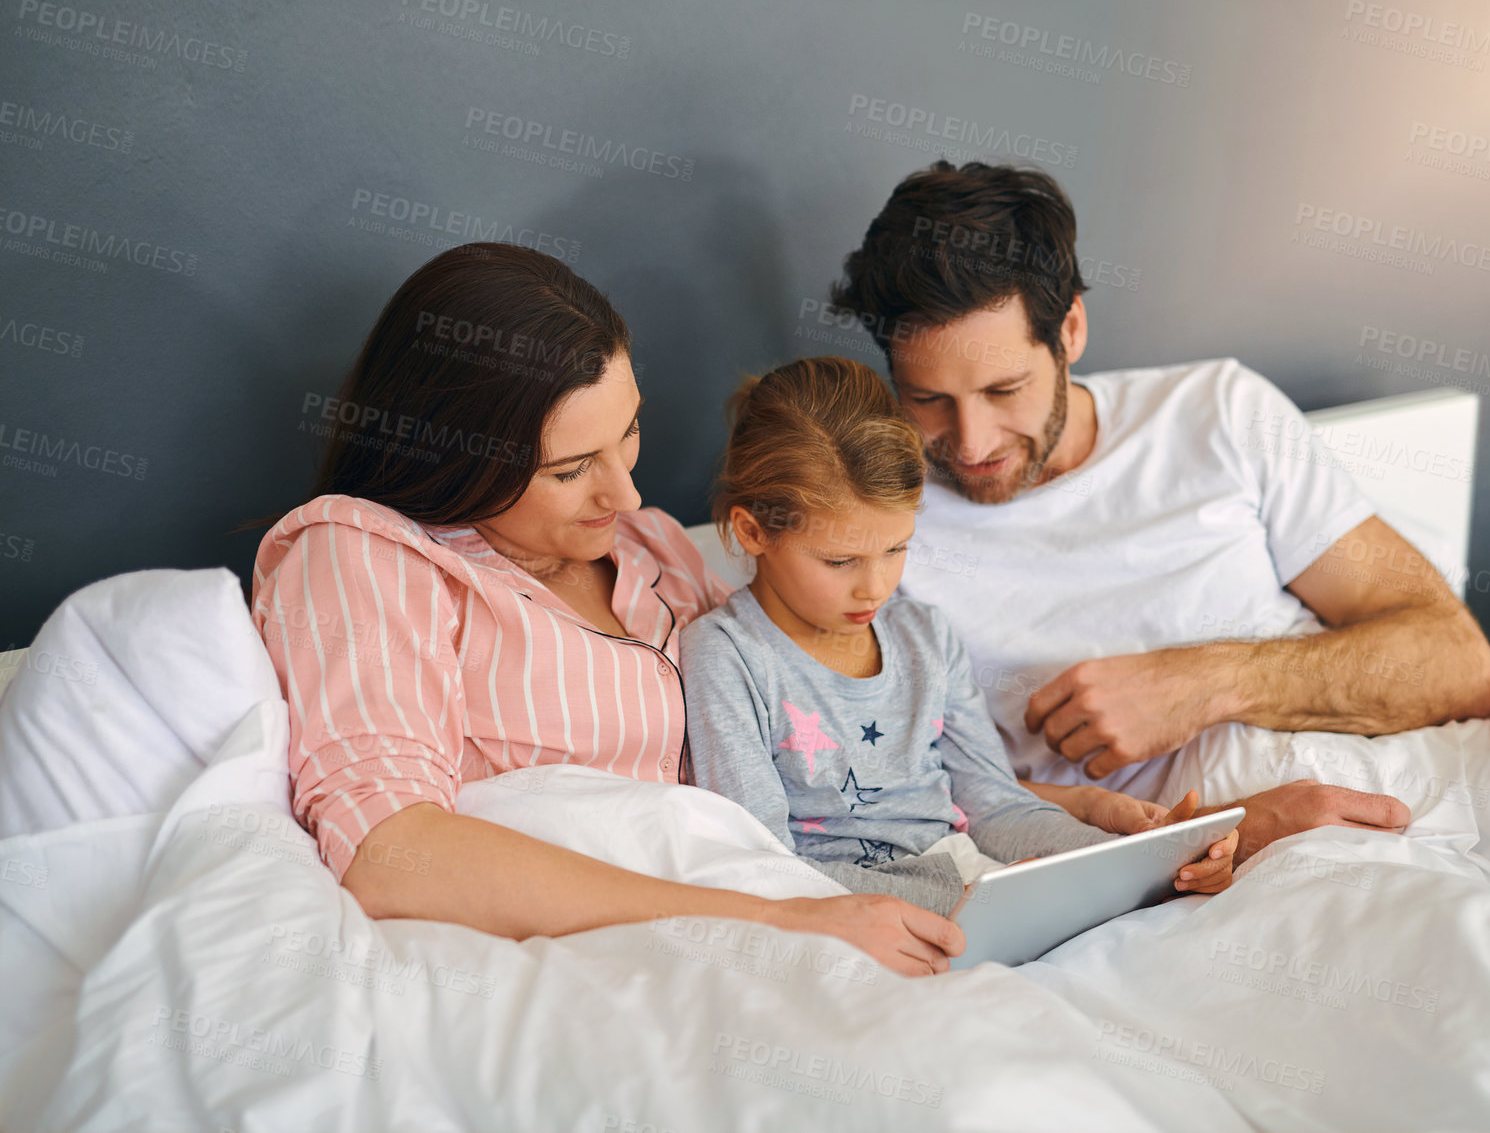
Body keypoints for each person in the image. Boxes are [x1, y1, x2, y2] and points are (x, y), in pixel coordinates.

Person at [251, 242, 964, 976]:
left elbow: (818, 740)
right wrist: (778, 920)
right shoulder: (366, 553)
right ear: (454, 455)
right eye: (569, 470)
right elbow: (390, 853)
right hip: (631, 946)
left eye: (627, 433)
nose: (625, 496)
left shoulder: (653, 547)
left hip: (778, 895)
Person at [829, 162, 1490, 861]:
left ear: (1071, 332)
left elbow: (1459, 664)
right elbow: (885, 785)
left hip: (1411, 781)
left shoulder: (1219, 413)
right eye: (928, 399)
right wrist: (1222, 826)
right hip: (1208, 859)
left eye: (1005, 389)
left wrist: (1206, 681)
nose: (970, 443)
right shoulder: (875, 531)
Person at [681, 357, 1236, 917]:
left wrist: (1140, 863)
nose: (874, 589)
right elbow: (762, 861)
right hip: (860, 912)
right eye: (840, 560)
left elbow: (996, 805)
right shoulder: (728, 656)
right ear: (752, 531)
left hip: (975, 890)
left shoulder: (925, 635)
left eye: (896, 549)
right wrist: (968, 900)